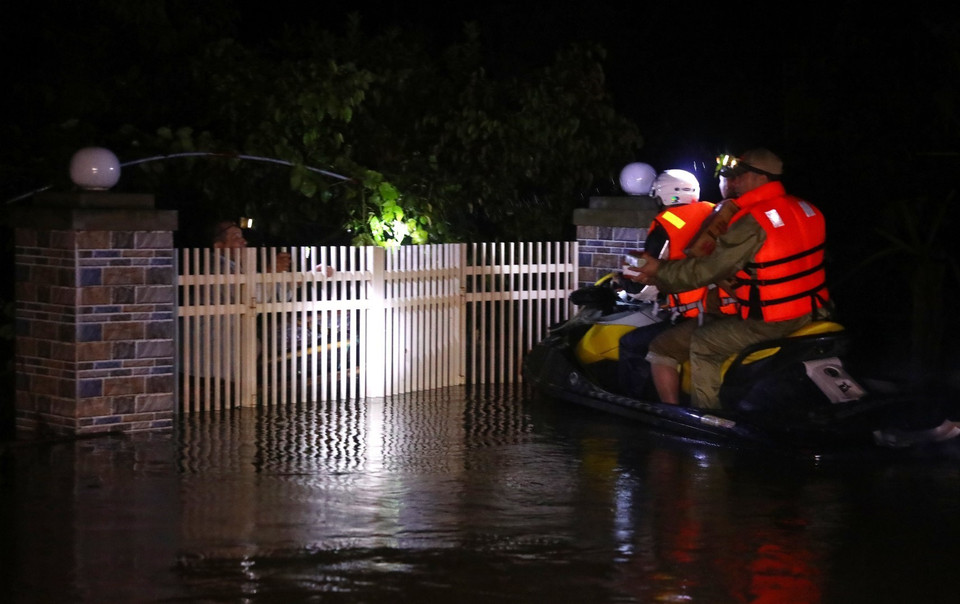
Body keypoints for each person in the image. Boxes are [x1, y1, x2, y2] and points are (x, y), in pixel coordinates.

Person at [628, 148, 831, 409]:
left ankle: (708, 417)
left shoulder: (752, 220)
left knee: (703, 343)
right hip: (814, 310)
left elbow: (706, 271)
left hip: (771, 320)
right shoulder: (806, 208)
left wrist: (658, 271)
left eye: (739, 176)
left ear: (761, 177)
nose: (733, 182)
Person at [617, 169, 732, 400]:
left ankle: (650, 407)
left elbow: (646, 283)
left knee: (635, 344)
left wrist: (626, 285)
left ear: (664, 195)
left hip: (699, 313)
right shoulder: (715, 212)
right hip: (729, 305)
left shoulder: (665, 225)